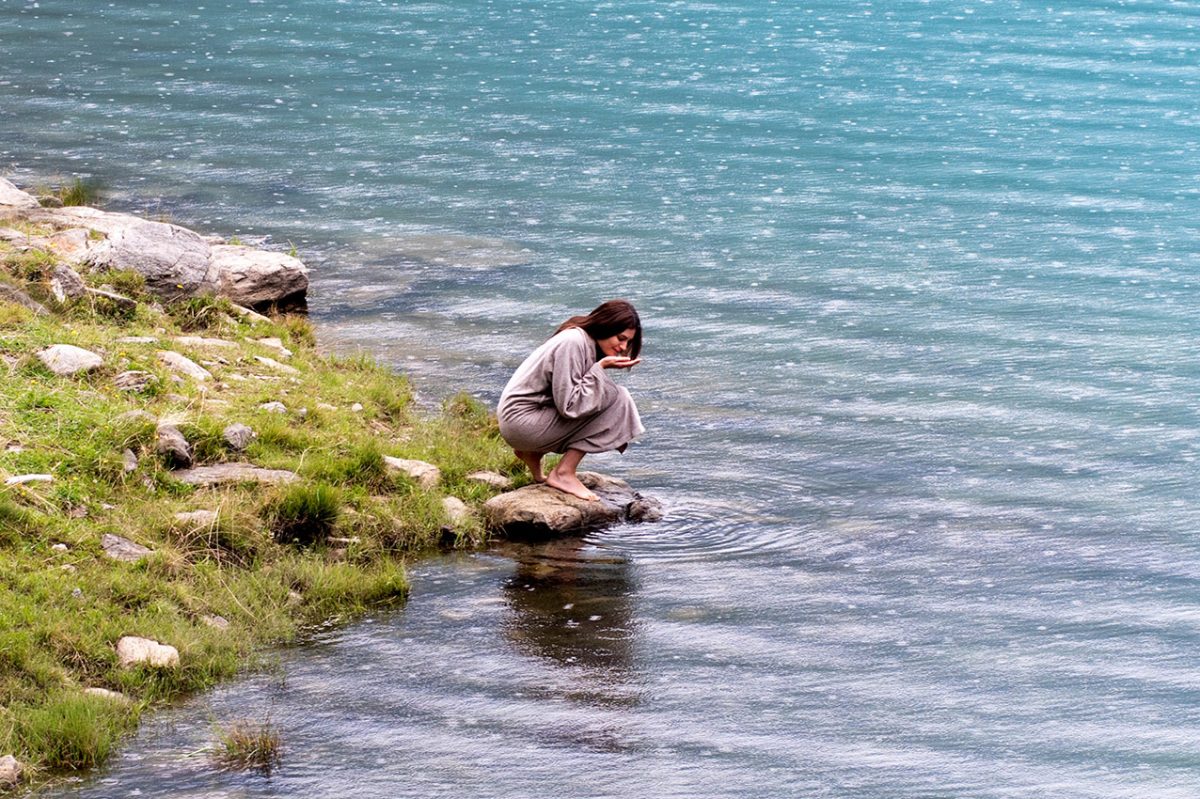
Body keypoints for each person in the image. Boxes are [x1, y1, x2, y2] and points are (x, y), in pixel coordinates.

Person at [497, 299, 645, 501]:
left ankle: (531, 454)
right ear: (606, 326)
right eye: (621, 338)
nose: (623, 346)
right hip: (521, 423)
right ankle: (563, 473)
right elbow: (570, 406)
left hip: (521, 421)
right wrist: (600, 368)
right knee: (619, 398)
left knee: (612, 394)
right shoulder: (573, 342)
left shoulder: (581, 339)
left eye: (627, 342)